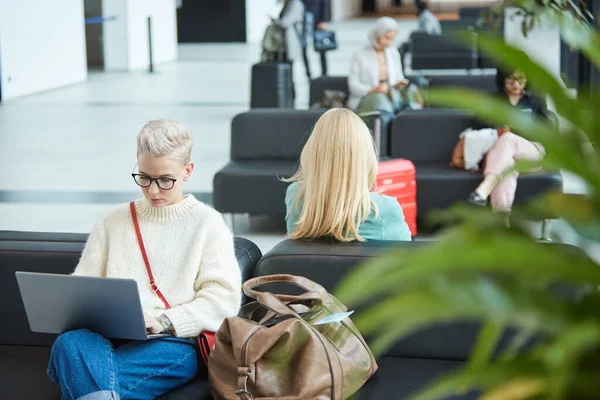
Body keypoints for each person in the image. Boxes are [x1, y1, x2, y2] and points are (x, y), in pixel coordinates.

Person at [47, 120, 242, 400]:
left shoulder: (208, 224)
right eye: (144, 178)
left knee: (75, 365)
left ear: (188, 171)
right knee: (70, 343)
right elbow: (81, 289)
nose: (153, 190)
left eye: (165, 180)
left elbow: (222, 303)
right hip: (104, 339)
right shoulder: (113, 221)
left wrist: (163, 321)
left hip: (170, 343)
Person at [284, 108, 412, 242]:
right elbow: (408, 257)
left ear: (312, 152)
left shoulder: (295, 196)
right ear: (365, 157)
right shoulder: (384, 209)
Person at [468, 68, 550, 211]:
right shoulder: (493, 100)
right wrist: (497, 127)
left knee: (509, 138)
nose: (516, 84)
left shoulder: (535, 101)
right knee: (507, 166)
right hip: (501, 154)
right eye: (511, 79)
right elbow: (477, 122)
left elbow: (546, 130)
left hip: (531, 151)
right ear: (503, 79)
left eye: (520, 80)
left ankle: (484, 188)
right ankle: (502, 225)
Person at [348, 17, 409, 114]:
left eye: (392, 39)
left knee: (409, 98)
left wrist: (398, 84)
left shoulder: (393, 53)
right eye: (387, 38)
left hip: (391, 96)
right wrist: (373, 90)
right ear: (377, 35)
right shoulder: (360, 54)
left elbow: (399, 77)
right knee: (380, 100)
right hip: (366, 98)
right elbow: (353, 85)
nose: (390, 42)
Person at [273, 0, 305, 104]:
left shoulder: (295, 4)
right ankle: (286, 98)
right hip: (285, 45)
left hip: (291, 43)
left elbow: (285, 22)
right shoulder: (288, 4)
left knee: (289, 74)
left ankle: (290, 99)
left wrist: (276, 21)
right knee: (286, 73)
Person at [302, 0, 331, 78]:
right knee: (303, 48)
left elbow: (325, 3)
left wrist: (323, 20)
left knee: (321, 48)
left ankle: (324, 73)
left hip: (317, 20)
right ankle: (308, 73)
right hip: (302, 21)